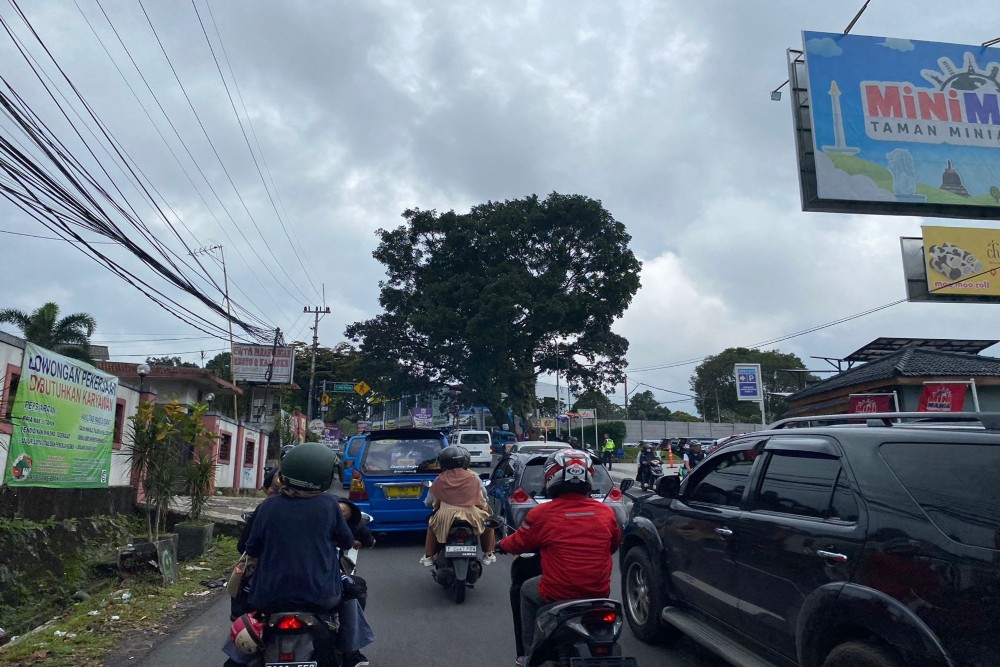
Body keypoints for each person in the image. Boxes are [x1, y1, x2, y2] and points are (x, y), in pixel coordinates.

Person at [497, 449, 622, 666]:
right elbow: (612, 545)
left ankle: (527, 654)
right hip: (599, 592)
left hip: (558, 592)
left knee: (525, 589)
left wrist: (501, 544)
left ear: (550, 476)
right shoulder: (606, 512)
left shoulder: (542, 514)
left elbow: (518, 543)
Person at [240, 443, 355, 667]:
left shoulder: (269, 506)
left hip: (269, 596)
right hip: (320, 595)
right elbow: (347, 541)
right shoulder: (329, 504)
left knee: (241, 600)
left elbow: (251, 548)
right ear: (321, 476)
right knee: (355, 590)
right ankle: (352, 651)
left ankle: (236, 657)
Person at [421, 445, 496, 566]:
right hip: (472, 514)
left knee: (432, 526)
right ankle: (488, 554)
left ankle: (428, 557)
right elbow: (484, 496)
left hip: (445, 515)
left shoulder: (439, 479)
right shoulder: (474, 477)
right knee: (488, 525)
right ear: (465, 461)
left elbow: (430, 501)